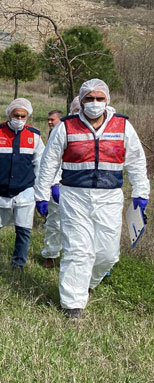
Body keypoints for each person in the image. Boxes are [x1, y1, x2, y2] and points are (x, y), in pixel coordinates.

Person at [35, 79, 149, 319]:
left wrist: (141, 192)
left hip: (109, 197)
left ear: (107, 100)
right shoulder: (66, 127)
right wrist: (42, 194)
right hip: (74, 196)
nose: (95, 103)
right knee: (78, 250)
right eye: (89, 98)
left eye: (99, 98)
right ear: (81, 100)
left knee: (108, 254)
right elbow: (48, 163)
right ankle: (72, 304)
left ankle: (88, 283)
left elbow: (137, 161)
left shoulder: (122, 126)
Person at [0, 98, 44, 271]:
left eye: (23, 116)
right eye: (16, 115)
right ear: (9, 114)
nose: (19, 119)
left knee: (24, 230)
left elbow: (41, 164)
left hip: (24, 191)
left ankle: (18, 263)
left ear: (28, 116)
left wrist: (42, 192)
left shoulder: (34, 136)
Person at [40, 109, 64, 268]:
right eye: (48, 119)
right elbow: (48, 163)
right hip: (55, 186)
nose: (49, 122)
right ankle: (51, 254)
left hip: (70, 184)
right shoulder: (51, 136)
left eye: (52, 120)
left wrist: (58, 181)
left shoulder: (66, 133)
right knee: (54, 222)